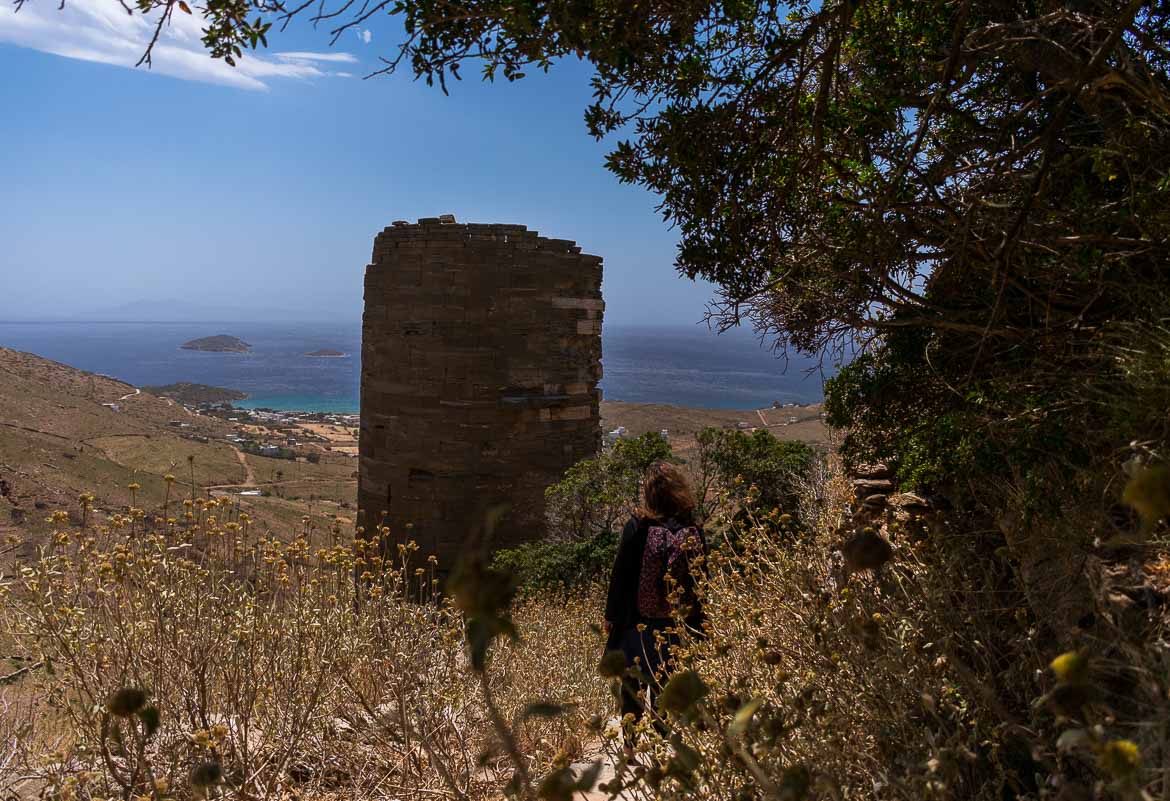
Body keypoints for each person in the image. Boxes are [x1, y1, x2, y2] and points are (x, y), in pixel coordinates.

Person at [603, 461, 707, 746]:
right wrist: (701, 625)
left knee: (632, 687)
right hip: (675, 626)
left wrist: (611, 616)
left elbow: (620, 575)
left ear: (648, 493)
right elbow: (701, 580)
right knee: (666, 684)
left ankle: (631, 749)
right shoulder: (692, 528)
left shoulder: (638, 527)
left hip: (636, 624)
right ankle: (664, 744)